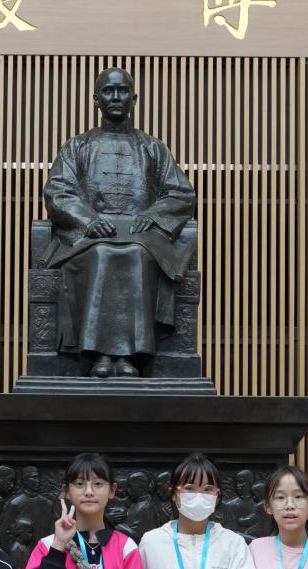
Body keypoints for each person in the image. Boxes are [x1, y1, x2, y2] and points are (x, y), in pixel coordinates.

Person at [43, 67, 196, 377]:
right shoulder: (77, 146)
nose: (115, 97)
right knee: (103, 253)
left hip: (143, 236)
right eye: (108, 91)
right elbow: (58, 191)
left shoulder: (153, 148)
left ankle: (128, 357)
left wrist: (152, 216)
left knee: (135, 254)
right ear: (96, 100)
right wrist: (88, 220)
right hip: (89, 238)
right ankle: (101, 355)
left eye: (122, 91)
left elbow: (181, 193)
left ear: (134, 99)